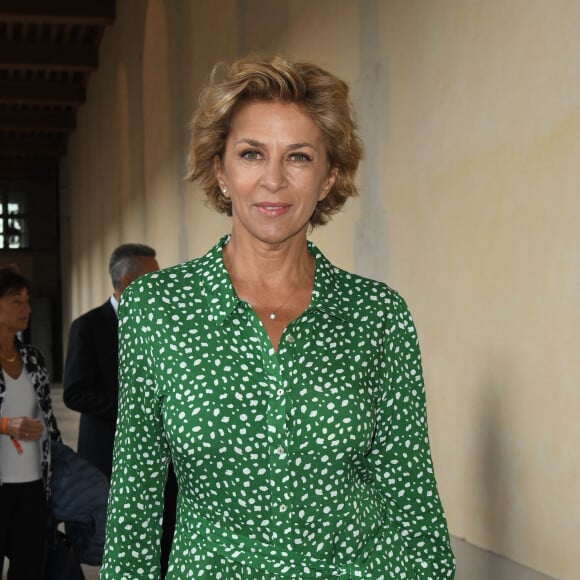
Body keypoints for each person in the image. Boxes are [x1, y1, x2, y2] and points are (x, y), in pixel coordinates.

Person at [100, 55, 456, 579]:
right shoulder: (156, 309)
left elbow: (410, 494)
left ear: (329, 176)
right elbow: (135, 499)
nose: (273, 180)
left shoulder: (377, 316)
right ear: (220, 170)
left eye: (298, 157)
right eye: (251, 154)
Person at [63, 243, 177, 576]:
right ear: (127, 283)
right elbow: (74, 393)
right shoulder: (88, 326)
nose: (161, 285)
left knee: (165, 531)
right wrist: (134, 407)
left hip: (163, 456)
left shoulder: (164, 326)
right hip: (109, 457)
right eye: (153, 278)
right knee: (123, 539)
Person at [0, 266, 61, 579]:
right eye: (16, 301)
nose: (27, 308)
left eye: (27, 301)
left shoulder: (33, 358)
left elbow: (48, 419)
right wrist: (4, 425)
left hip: (34, 487)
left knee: (28, 568)